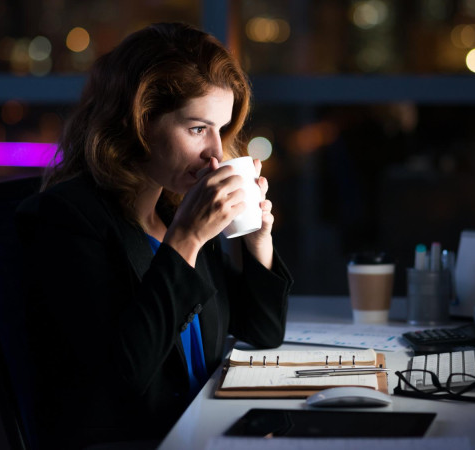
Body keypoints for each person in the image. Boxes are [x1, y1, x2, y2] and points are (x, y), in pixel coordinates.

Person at [16, 23, 293, 448]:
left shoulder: (171, 209)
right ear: (139, 122)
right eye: (198, 129)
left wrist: (257, 241)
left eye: (221, 129)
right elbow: (118, 382)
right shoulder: (68, 218)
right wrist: (185, 240)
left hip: (205, 429)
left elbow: (263, 330)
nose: (216, 153)